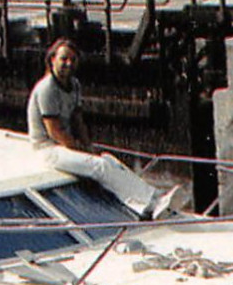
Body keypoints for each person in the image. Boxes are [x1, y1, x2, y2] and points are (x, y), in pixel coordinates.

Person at [27, 40, 178, 219]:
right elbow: (55, 132)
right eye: (64, 59)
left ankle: (154, 197)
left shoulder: (74, 85)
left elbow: (78, 121)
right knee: (99, 167)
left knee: (109, 160)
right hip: (48, 149)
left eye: (73, 60)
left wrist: (87, 146)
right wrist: (80, 150)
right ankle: (143, 206)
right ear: (52, 59)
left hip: (63, 145)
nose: (68, 63)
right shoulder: (47, 88)